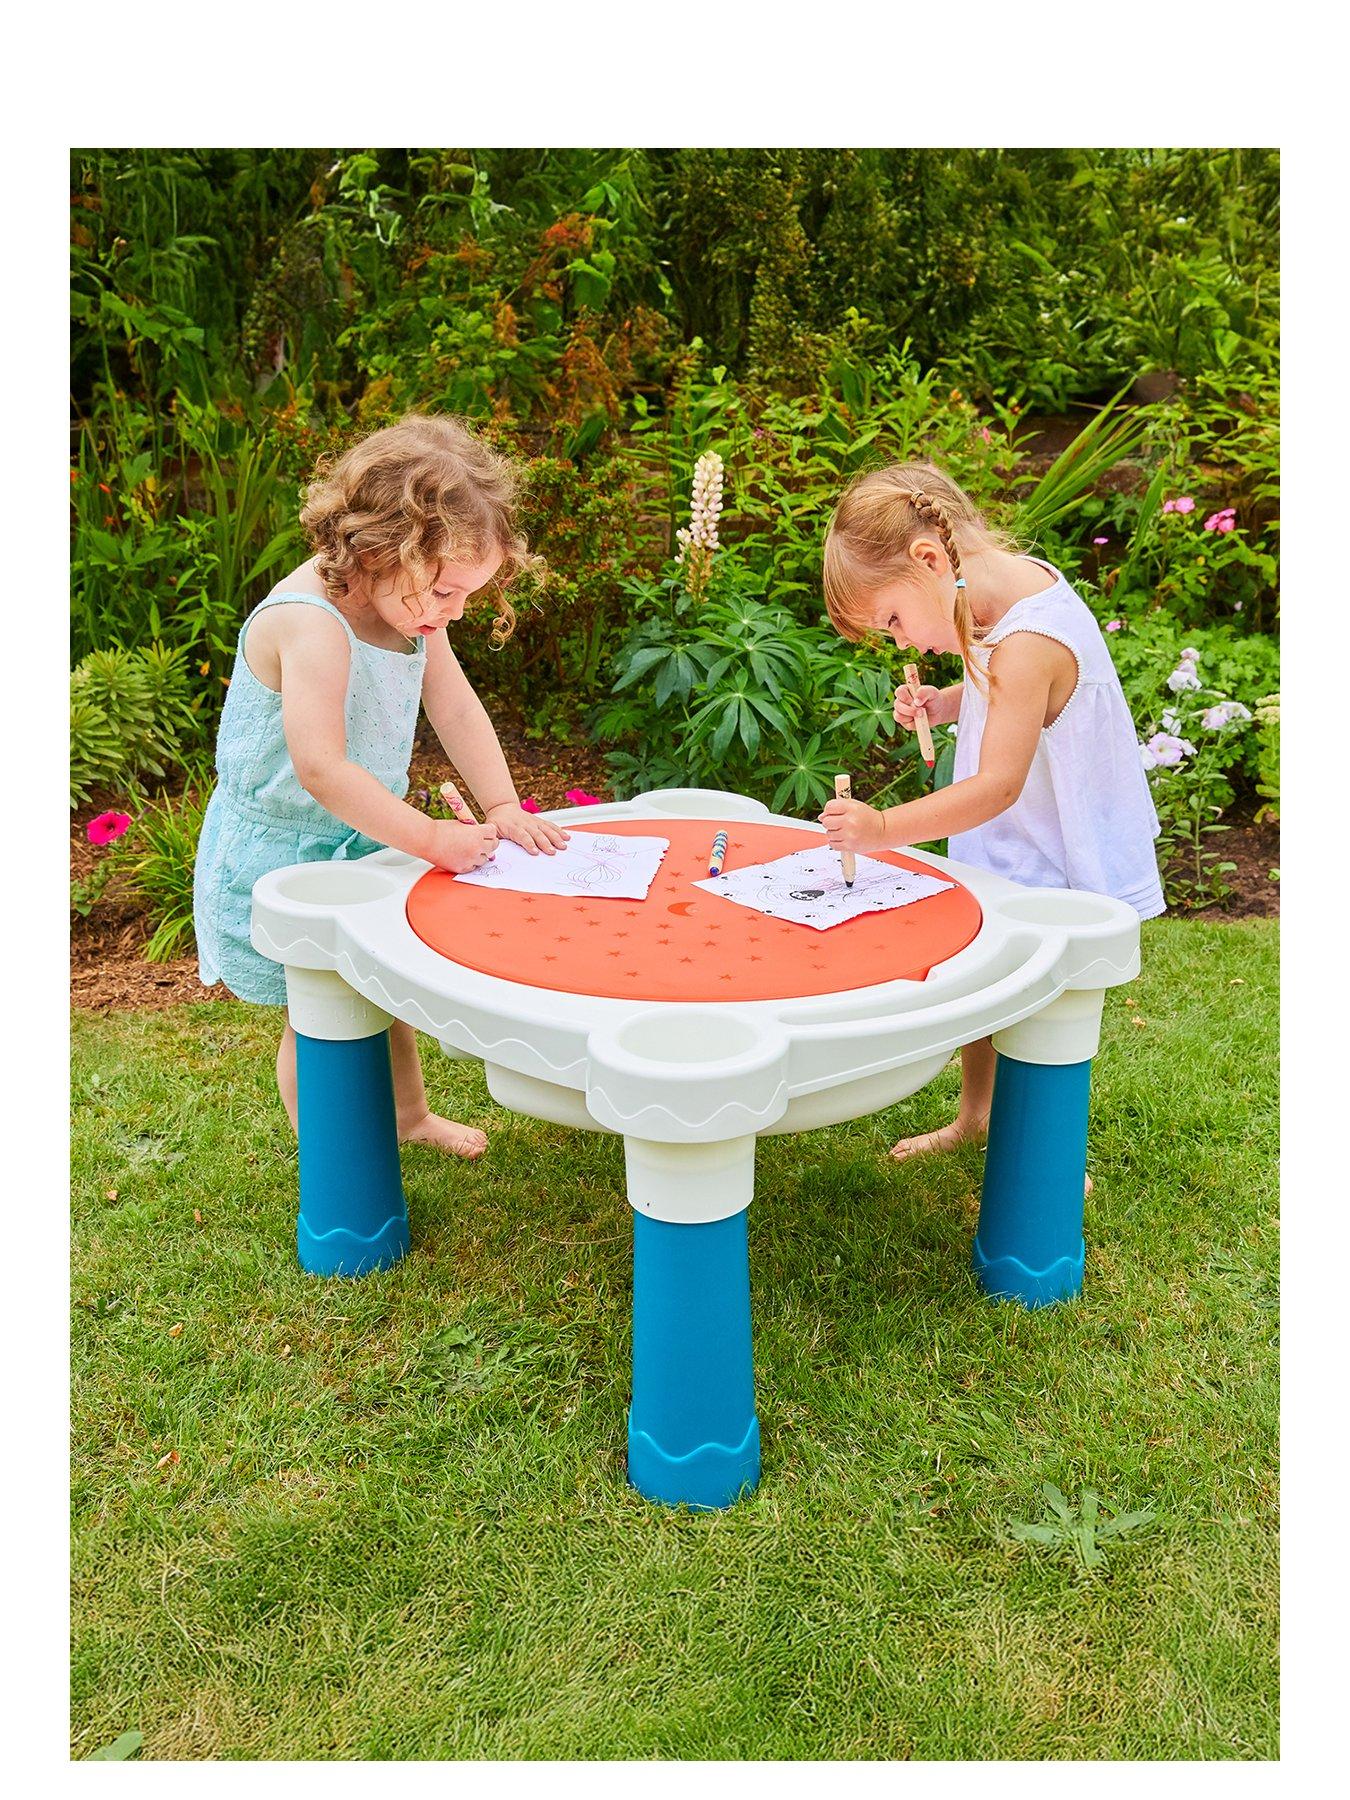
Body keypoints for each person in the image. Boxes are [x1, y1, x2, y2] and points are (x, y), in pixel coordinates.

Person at [193, 413, 567, 1159]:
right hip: (283, 853)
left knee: (381, 986)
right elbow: (320, 769)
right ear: (382, 547)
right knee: (323, 1011)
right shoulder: (312, 623)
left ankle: (408, 1117)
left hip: (359, 837)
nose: (455, 611)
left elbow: (453, 703)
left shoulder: (410, 609)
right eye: (448, 592)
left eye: (469, 595)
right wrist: (431, 839)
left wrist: (502, 805)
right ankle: (335, 1166)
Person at [819, 462, 1162, 1162]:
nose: (904, 642)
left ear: (929, 559)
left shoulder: (1028, 641)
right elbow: (1009, 701)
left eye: (892, 619)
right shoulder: (996, 595)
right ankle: (977, 1116)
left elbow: (999, 783)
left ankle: (1045, 1159)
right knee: (985, 978)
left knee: (1038, 1011)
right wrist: (949, 701)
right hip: (1018, 842)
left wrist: (883, 829)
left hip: (1054, 851)